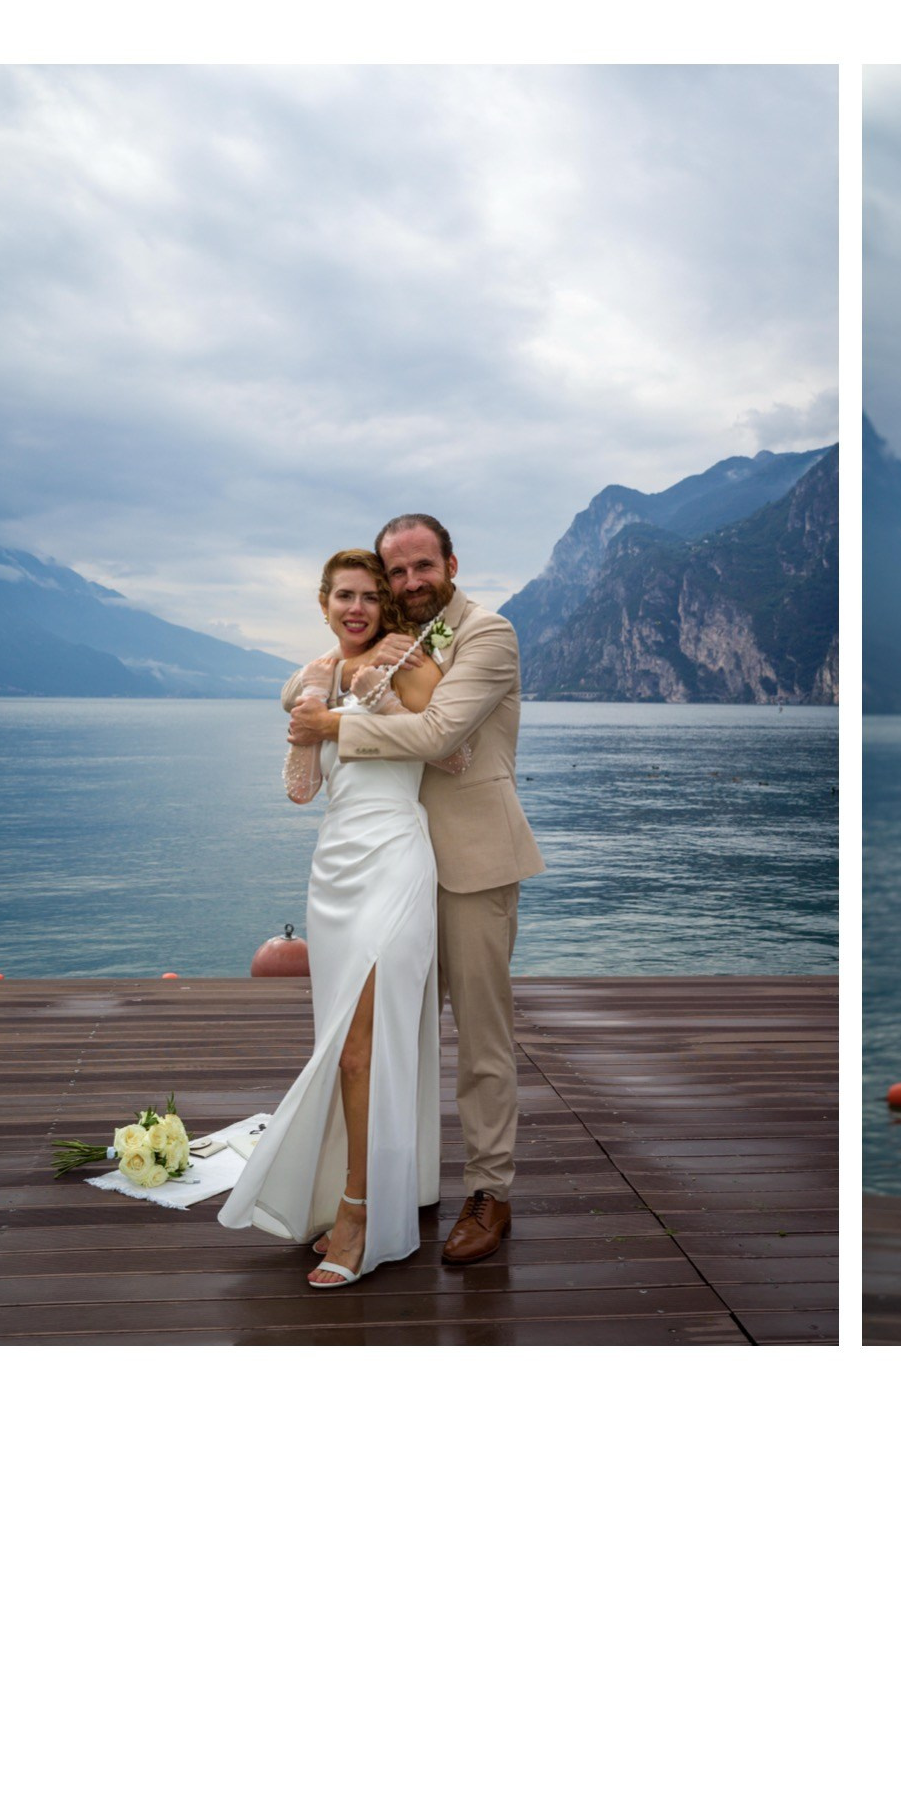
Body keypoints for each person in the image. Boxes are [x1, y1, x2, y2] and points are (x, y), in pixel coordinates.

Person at [287, 514, 544, 1264]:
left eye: (420, 567)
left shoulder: (489, 634)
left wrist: (330, 722)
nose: (408, 584)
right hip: (393, 865)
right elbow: (313, 675)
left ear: (451, 563)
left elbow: (439, 736)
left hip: (471, 862)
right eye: (395, 573)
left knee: (481, 1041)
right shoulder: (400, 636)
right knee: (385, 1038)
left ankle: (490, 1192)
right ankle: (398, 1185)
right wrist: (312, 687)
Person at [211, 548, 449, 1288]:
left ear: (386, 605)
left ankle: (358, 1211)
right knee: (343, 1045)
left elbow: (451, 741)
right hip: (335, 870)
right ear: (323, 603)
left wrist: (342, 690)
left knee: (360, 1053)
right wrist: (309, 705)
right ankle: (359, 1188)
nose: (357, 608)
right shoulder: (318, 675)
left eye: (370, 596)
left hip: (397, 862)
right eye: (343, 596)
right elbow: (300, 792)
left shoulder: (406, 659)